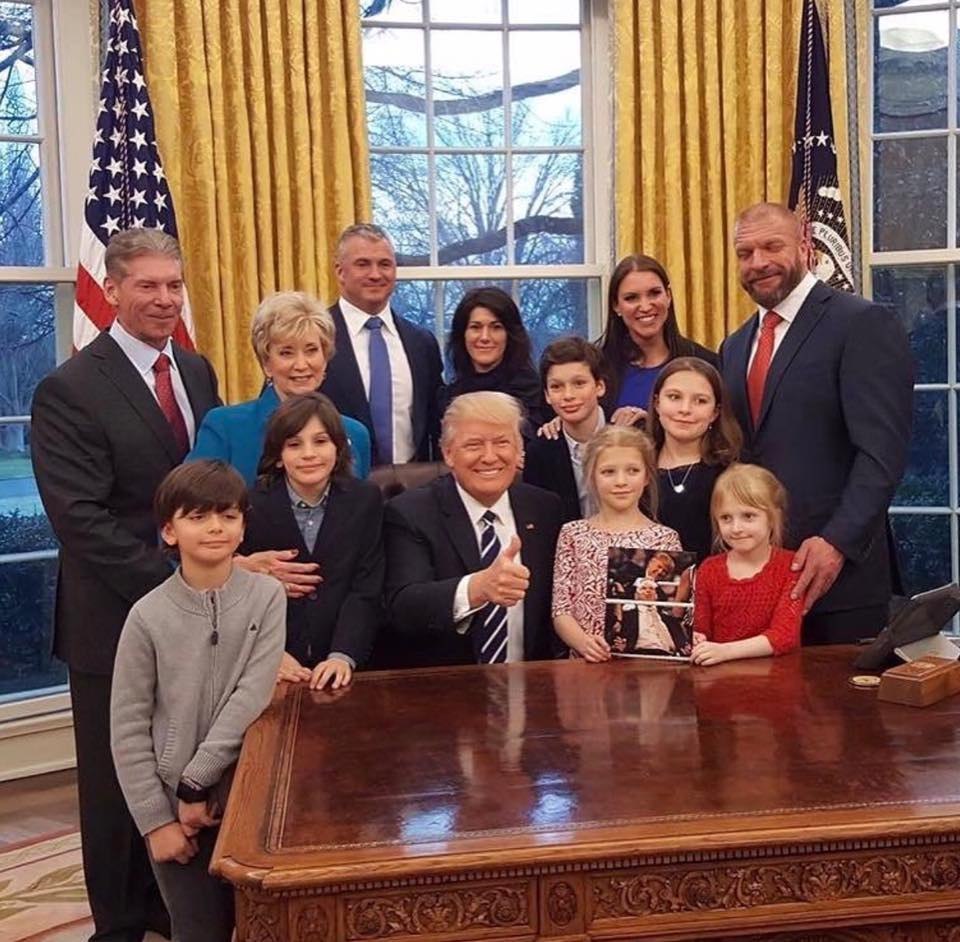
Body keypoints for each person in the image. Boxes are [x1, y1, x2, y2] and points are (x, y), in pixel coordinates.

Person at [30, 228, 221, 940]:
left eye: (174, 285)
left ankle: (169, 910)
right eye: (148, 285)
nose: (165, 299)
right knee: (117, 788)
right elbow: (79, 521)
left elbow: (210, 489)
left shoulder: (197, 373)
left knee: (181, 771)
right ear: (110, 290)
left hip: (199, 619)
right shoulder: (69, 388)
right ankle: (117, 924)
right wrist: (182, 582)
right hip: (112, 622)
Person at [720, 202, 913, 644]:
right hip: (758, 584)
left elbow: (881, 455)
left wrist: (837, 543)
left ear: (805, 245)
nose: (758, 263)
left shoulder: (861, 323)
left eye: (772, 246)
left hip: (840, 582)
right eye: (745, 253)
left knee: (845, 714)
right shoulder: (733, 346)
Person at [110, 460, 285, 942]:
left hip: (246, 799)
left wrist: (198, 781)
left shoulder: (268, 597)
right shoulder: (146, 617)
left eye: (227, 516)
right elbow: (127, 728)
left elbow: (254, 691)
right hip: (173, 813)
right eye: (198, 516)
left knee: (264, 925)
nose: (215, 527)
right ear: (169, 531)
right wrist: (157, 820)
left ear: (243, 525)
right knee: (198, 929)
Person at [382, 391, 562, 668]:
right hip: (446, 691)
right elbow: (403, 607)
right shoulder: (409, 512)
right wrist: (477, 589)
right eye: (474, 445)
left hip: (531, 688)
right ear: (448, 453)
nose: (489, 457)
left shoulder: (546, 509)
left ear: (519, 451)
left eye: (502, 442)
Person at [241, 393, 384, 690]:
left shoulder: (365, 500)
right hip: (273, 663)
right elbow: (238, 597)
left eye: (320, 442)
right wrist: (269, 655)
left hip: (344, 662)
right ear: (278, 456)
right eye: (294, 444)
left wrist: (343, 655)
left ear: (338, 448)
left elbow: (365, 588)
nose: (309, 454)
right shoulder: (250, 507)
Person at [190, 291, 371, 484]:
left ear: (325, 357)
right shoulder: (225, 427)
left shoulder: (354, 433)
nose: (301, 364)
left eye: (311, 350)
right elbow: (191, 502)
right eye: (286, 353)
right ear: (266, 363)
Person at [551, 425, 681, 662]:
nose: (621, 481)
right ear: (591, 476)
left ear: (646, 477)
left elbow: (673, 607)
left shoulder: (665, 538)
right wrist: (583, 643)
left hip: (647, 664)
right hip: (586, 665)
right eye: (608, 472)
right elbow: (561, 609)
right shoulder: (573, 534)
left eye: (632, 470)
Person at [321, 223, 444, 464]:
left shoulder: (421, 342)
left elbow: (436, 423)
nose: (376, 274)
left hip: (413, 489)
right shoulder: (315, 338)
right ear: (340, 271)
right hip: (341, 488)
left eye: (385, 264)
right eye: (363, 264)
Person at [692, 463, 802, 665]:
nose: (736, 528)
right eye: (726, 518)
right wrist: (696, 638)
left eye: (748, 516)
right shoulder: (709, 569)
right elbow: (701, 627)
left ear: (772, 517)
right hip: (719, 680)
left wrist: (725, 652)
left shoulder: (790, 567)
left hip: (776, 678)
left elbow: (784, 636)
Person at [597, 253, 719, 426]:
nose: (645, 306)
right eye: (632, 298)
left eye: (654, 293)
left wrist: (653, 428)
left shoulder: (706, 363)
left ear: (668, 296)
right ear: (616, 305)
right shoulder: (595, 367)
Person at [648, 357, 742, 561]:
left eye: (700, 401)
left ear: (715, 412)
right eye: (674, 397)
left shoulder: (732, 473)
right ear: (657, 403)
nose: (685, 409)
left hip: (716, 586)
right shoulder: (634, 466)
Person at [523, 336, 607, 523]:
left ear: (599, 386)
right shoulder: (540, 451)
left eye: (579, 383)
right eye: (556, 387)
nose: (568, 395)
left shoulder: (629, 433)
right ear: (546, 395)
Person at [438, 286, 545, 425]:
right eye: (475, 327)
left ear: (510, 335)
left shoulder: (537, 394)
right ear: (462, 334)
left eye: (496, 327)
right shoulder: (446, 399)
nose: (485, 337)